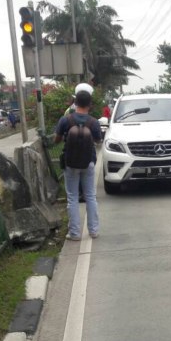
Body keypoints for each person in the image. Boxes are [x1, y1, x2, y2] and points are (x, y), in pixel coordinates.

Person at [54, 88, 102, 241]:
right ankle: (93, 231)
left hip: (71, 163)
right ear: (90, 105)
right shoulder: (93, 122)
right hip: (88, 162)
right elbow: (98, 141)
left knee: (72, 197)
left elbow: (57, 139)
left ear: (75, 103)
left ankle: (74, 233)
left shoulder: (65, 120)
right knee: (90, 196)